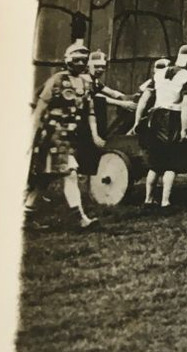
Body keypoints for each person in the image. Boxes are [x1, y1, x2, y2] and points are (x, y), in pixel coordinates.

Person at [25, 40, 103, 228]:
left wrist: (95, 134)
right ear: (68, 61)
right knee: (70, 173)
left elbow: (90, 111)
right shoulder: (57, 81)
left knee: (45, 180)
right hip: (52, 135)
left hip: (70, 137)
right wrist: (29, 138)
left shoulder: (85, 84)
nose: (80, 64)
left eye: (83, 60)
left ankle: (24, 216)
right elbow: (39, 111)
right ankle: (81, 218)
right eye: (77, 60)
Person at [132, 43, 187, 211]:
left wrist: (137, 120)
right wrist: (184, 128)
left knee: (154, 163)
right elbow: (186, 105)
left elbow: (144, 100)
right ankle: (165, 202)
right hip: (171, 119)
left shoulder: (160, 73)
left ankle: (148, 199)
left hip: (154, 118)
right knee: (170, 163)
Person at [86, 49, 136, 139]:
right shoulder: (85, 79)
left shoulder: (95, 80)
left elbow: (111, 92)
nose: (100, 69)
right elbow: (96, 96)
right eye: (97, 66)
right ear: (88, 66)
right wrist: (122, 103)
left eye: (103, 67)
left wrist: (126, 97)